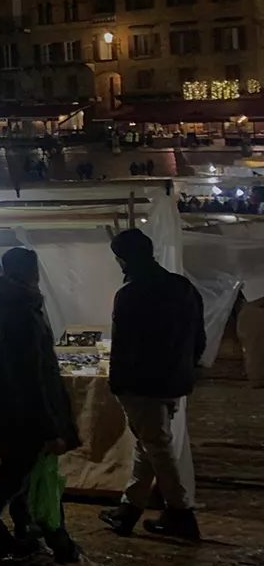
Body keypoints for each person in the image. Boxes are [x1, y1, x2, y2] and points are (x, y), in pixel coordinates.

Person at [0, 248, 116, 566]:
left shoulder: (2, 308)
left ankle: (65, 553)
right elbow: (30, 375)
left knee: (31, 485)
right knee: (10, 484)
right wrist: (49, 425)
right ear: (32, 273)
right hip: (23, 417)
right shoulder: (18, 312)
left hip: (14, 413)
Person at [99, 228, 205, 542]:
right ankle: (129, 509)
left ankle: (181, 513)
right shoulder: (181, 287)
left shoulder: (131, 293)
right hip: (174, 379)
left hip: (142, 383)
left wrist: (117, 383)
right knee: (150, 443)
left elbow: (123, 344)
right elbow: (198, 336)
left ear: (122, 259)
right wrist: (188, 367)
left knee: (156, 447)